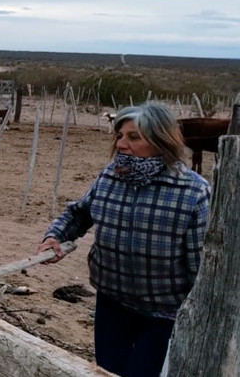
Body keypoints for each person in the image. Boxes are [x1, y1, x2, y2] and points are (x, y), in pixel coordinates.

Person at [37, 102, 210, 377]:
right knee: (108, 371)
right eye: (119, 136)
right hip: (112, 302)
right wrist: (54, 237)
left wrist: (199, 314)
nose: (121, 144)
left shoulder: (192, 191)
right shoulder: (110, 176)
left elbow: (199, 263)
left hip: (163, 313)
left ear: (160, 139)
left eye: (133, 137)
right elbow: (79, 214)